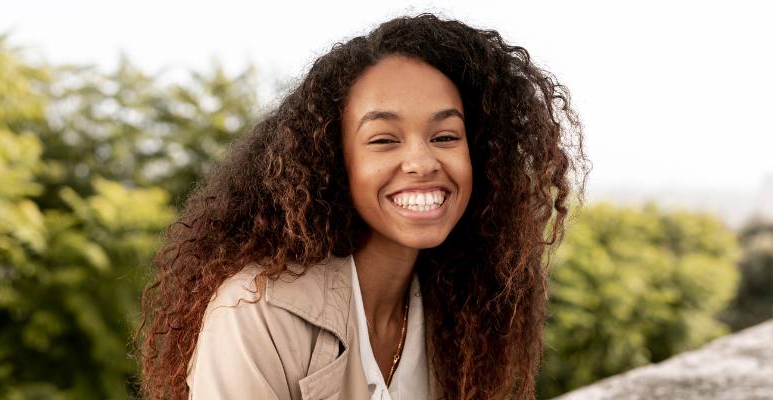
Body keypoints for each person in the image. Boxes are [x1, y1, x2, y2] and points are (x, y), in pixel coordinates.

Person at [136, 12, 589, 400]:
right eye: (384, 140)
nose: (421, 162)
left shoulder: (459, 305)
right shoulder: (256, 313)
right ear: (335, 161)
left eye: (445, 137)